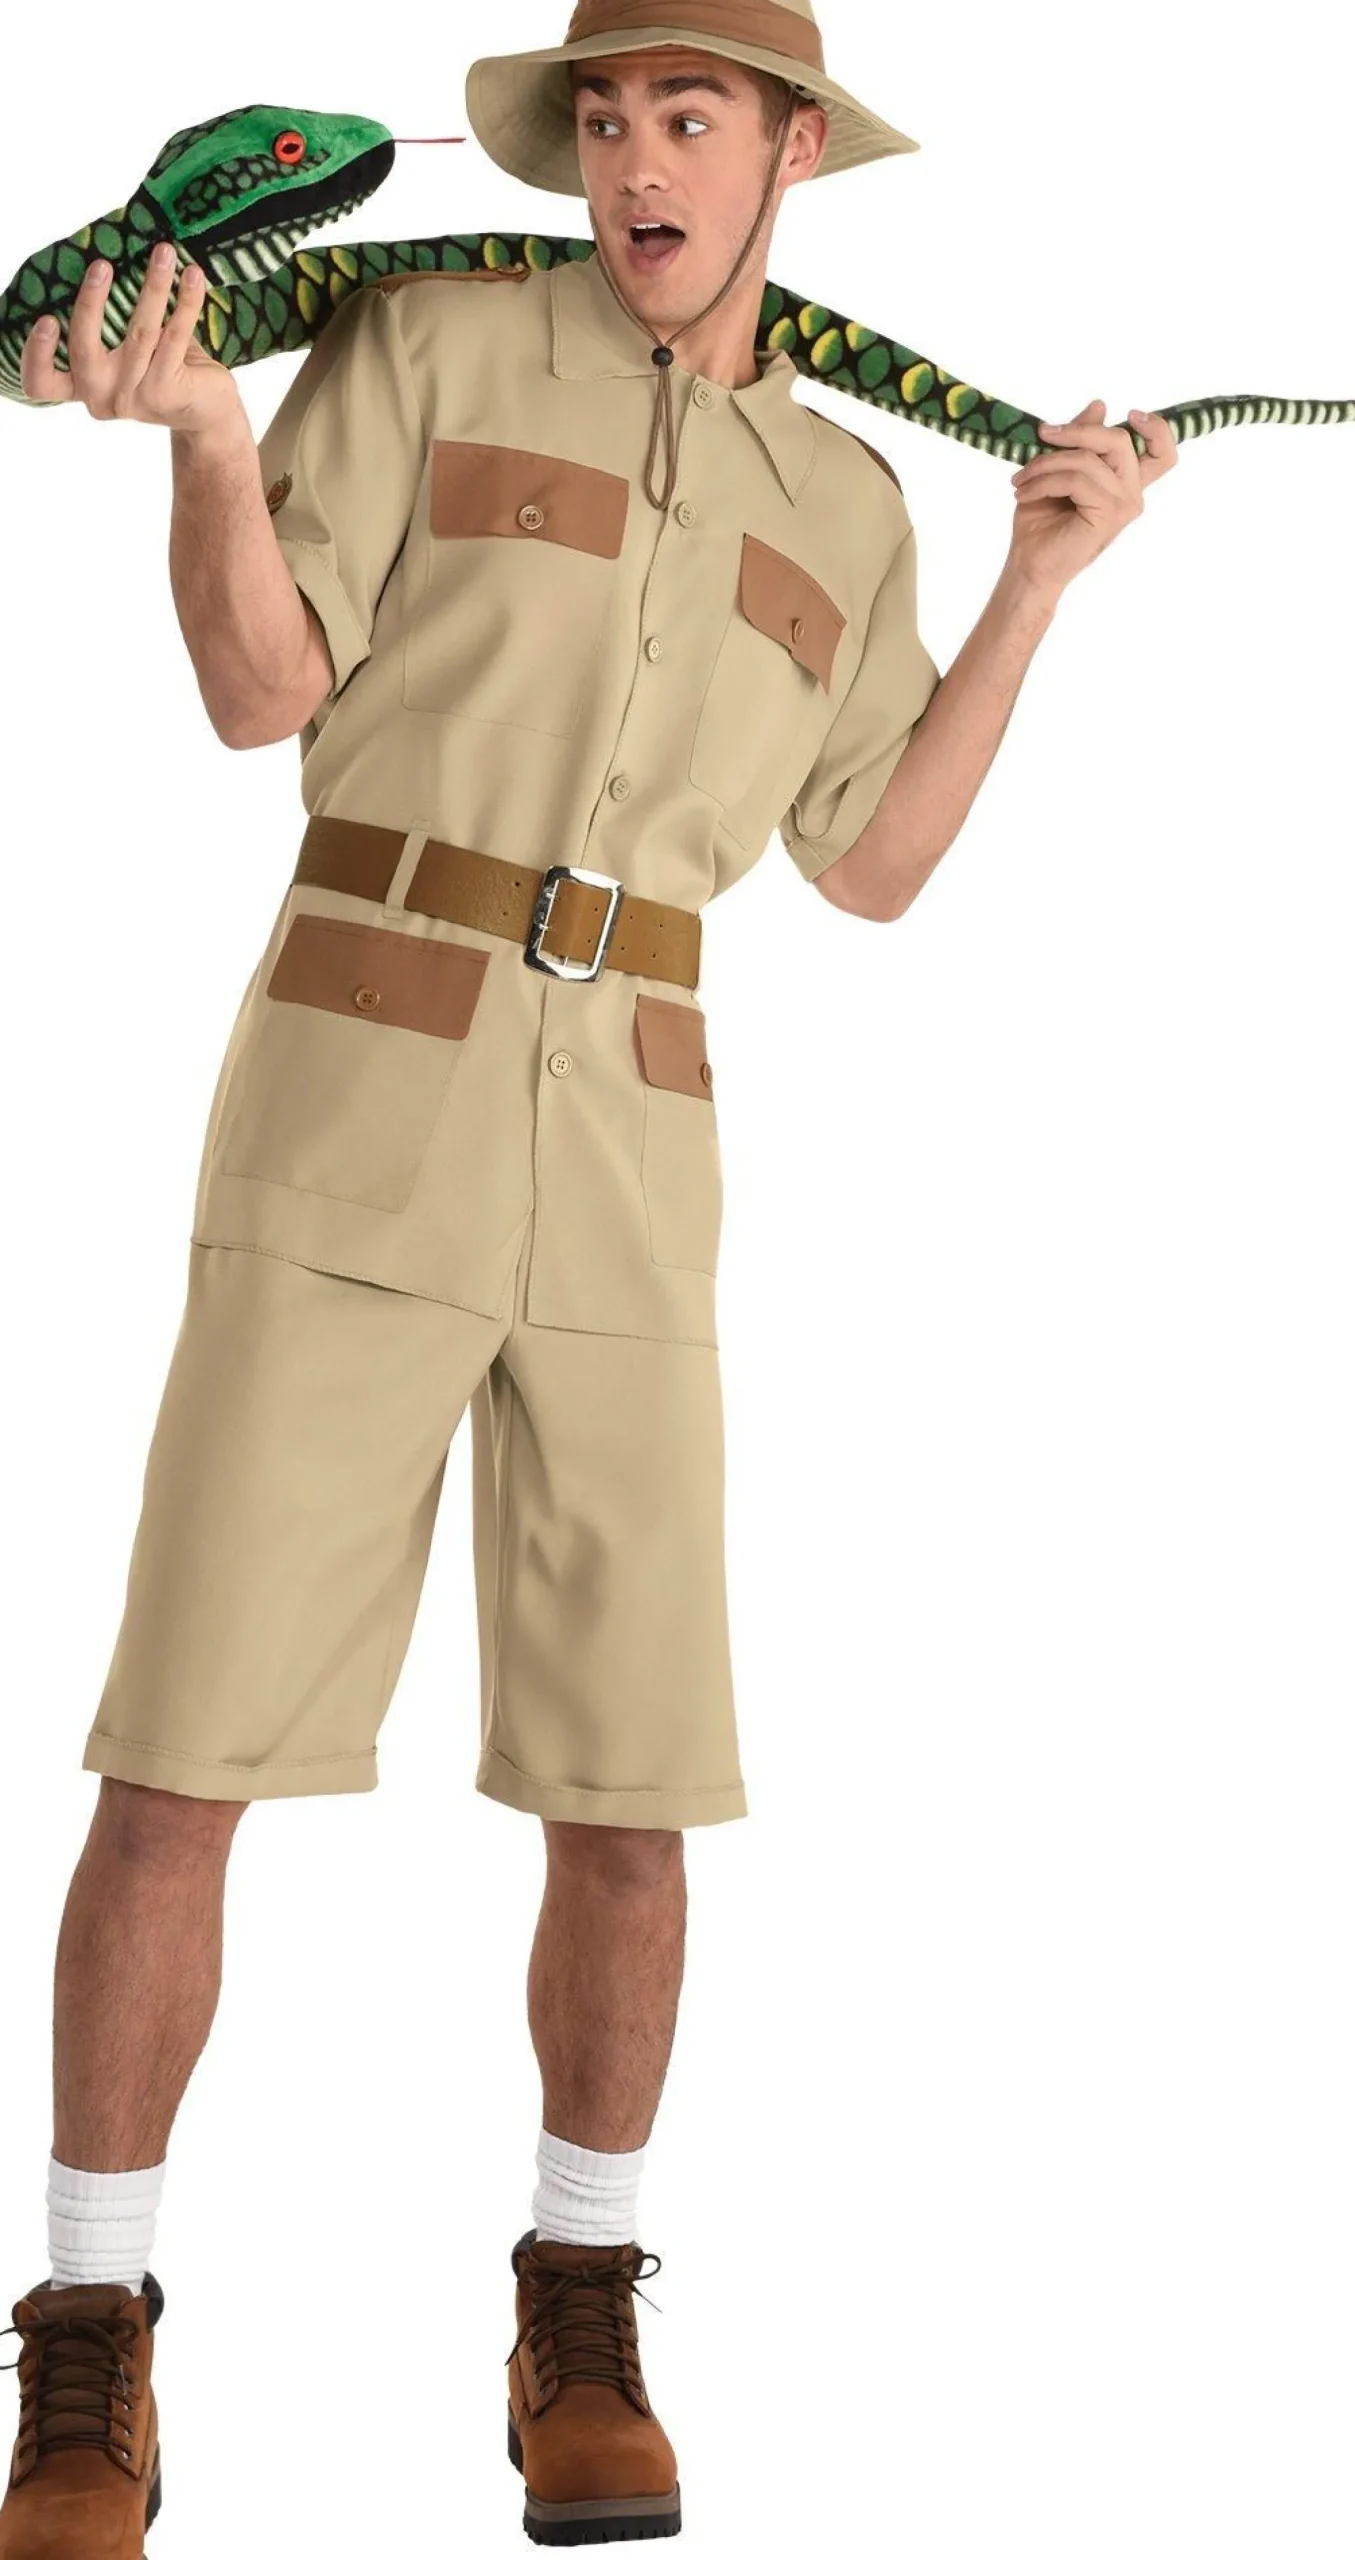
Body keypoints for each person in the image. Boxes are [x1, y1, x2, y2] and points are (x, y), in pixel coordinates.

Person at [0, 3, 1176, 2549]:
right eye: (608, 116)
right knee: (182, 1745)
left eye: (688, 118)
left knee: (632, 1786)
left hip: (639, 1135)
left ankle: (581, 2317)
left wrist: (1033, 582)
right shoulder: (421, 338)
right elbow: (256, 691)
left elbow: (869, 863)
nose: (637, 157)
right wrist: (200, 436)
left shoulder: (846, 498)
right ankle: (86, 2341)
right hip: (356, 1076)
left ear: (785, 157)